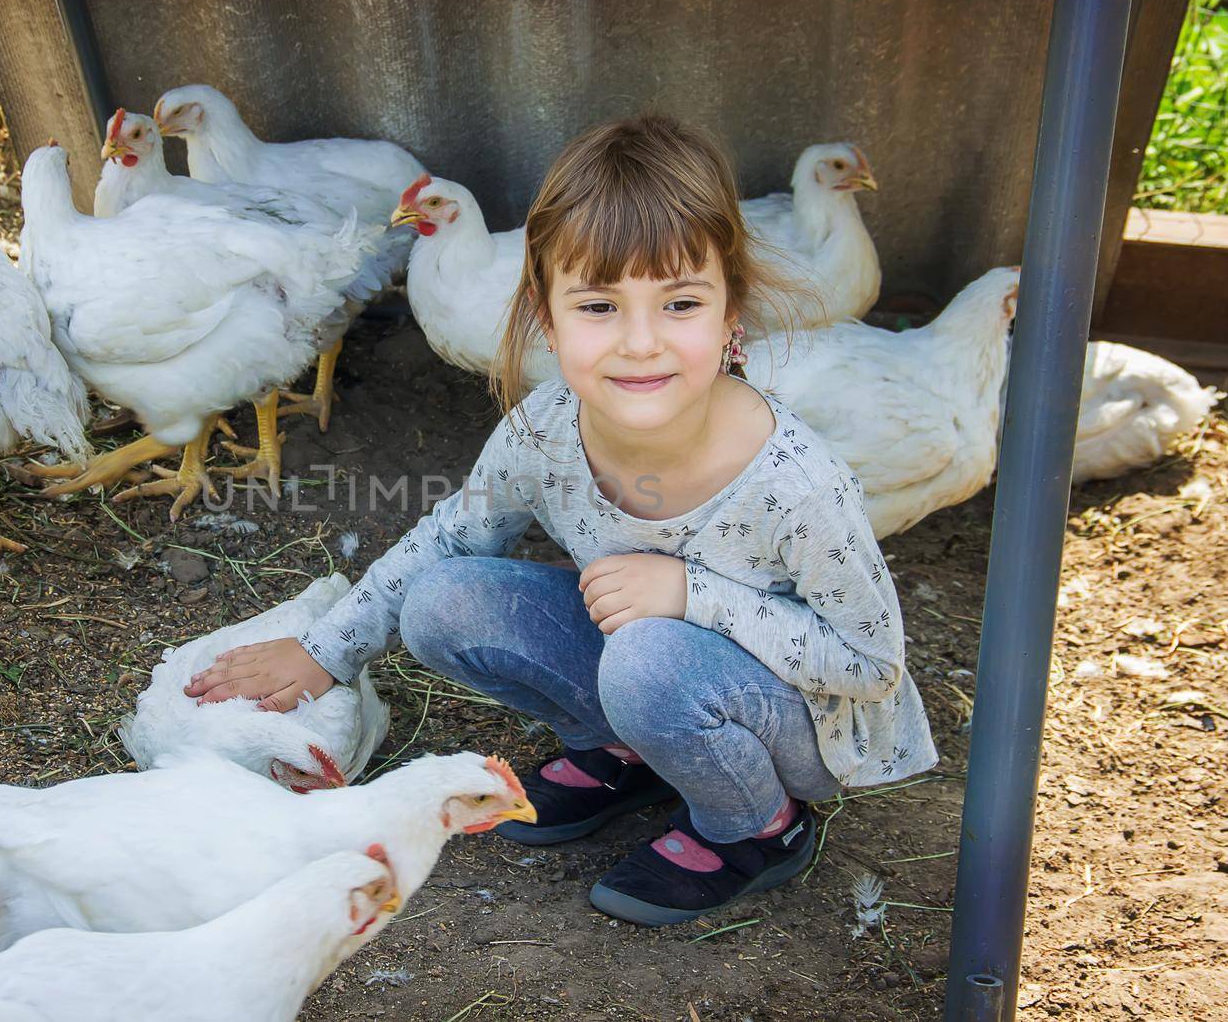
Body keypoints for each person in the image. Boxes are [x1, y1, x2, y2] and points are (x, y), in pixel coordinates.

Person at [185, 114, 937, 927]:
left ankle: (756, 827)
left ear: (731, 317)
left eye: (680, 302)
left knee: (649, 658)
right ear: (548, 317)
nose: (641, 343)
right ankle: (631, 752)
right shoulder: (545, 430)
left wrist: (692, 593)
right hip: (649, 670)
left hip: (803, 730)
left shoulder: (795, 485)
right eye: (600, 306)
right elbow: (450, 537)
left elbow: (871, 665)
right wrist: (326, 649)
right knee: (443, 600)